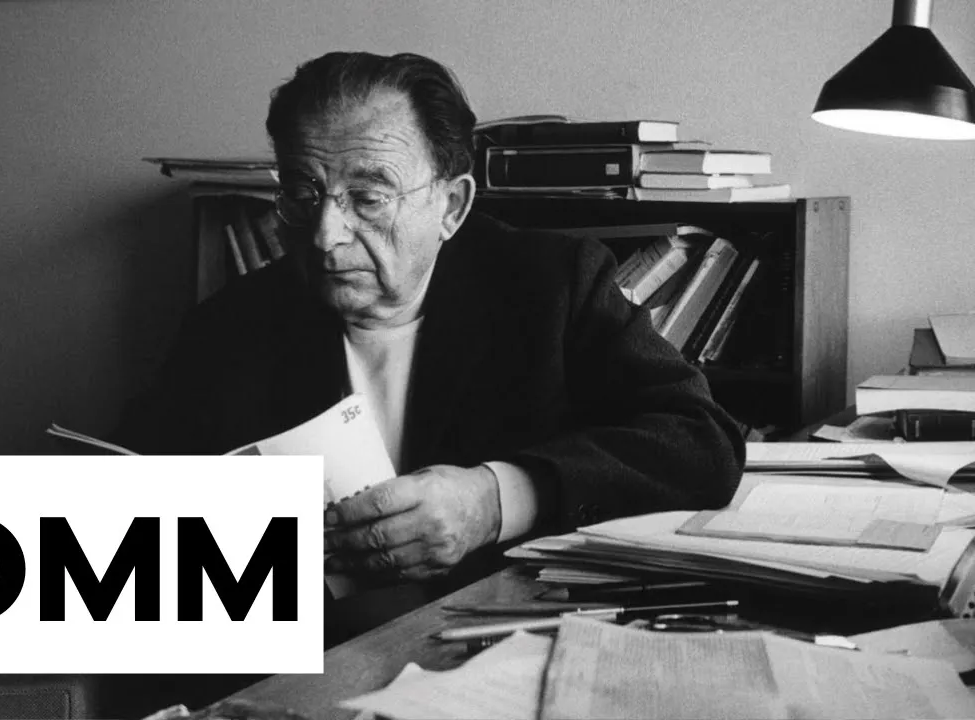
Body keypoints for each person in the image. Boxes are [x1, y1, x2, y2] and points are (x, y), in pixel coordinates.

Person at [113, 51, 744, 638]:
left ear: (451, 205)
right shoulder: (231, 326)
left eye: (368, 198)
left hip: (503, 641)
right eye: (303, 193)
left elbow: (701, 443)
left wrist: (495, 501)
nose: (326, 234)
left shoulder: (551, 284)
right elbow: (132, 510)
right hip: (308, 660)